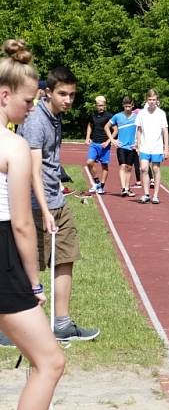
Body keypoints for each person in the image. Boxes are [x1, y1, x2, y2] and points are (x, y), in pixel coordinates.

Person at [0, 38, 71, 410]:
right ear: (5, 96)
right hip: (3, 255)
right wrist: (33, 280)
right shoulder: (13, 146)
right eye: (28, 101)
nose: (31, 109)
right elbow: (24, 226)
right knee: (49, 360)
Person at [14, 65, 100, 344]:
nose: (68, 100)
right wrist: (45, 207)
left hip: (56, 201)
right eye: (62, 94)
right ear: (47, 92)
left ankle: (61, 324)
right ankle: (13, 327)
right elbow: (33, 169)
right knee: (26, 265)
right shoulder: (36, 121)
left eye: (72, 95)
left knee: (65, 258)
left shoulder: (55, 117)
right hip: (37, 205)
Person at [135, 89, 169, 204]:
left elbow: (165, 132)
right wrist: (138, 145)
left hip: (157, 147)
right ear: (146, 100)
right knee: (144, 168)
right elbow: (139, 130)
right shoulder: (141, 113)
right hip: (144, 146)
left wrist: (166, 148)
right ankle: (146, 194)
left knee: (155, 169)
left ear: (157, 100)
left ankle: (155, 195)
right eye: (150, 99)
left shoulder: (161, 113)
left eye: (154, 100)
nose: (152, 102)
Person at [105, 96, 139, 197]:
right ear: (123, 106)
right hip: (121, 146)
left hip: (132, 147)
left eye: (129, 106)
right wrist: (112, 140)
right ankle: (123, 188)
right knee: (122, 166)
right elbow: (106, 127)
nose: (127, 108)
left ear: (132, 105)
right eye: (125, 106)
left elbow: (141, 130)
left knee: (129, 168)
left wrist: (138, 143)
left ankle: (128, 188)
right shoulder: (117, 116)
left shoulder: (137, 117)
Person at [84, 95, 112, 194]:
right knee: (89, 162)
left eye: (102, 105)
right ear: (96, 106)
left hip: (104, 145)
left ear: (105, 106)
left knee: (104, 166)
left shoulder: (109, 116)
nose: (100, 107)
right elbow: (90, 125)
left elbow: (115, 130)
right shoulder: (93, 115)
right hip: (94, 143)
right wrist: (88, 137)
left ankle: (102, 186)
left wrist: (108, 141)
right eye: (98, 105)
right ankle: (96, 182)